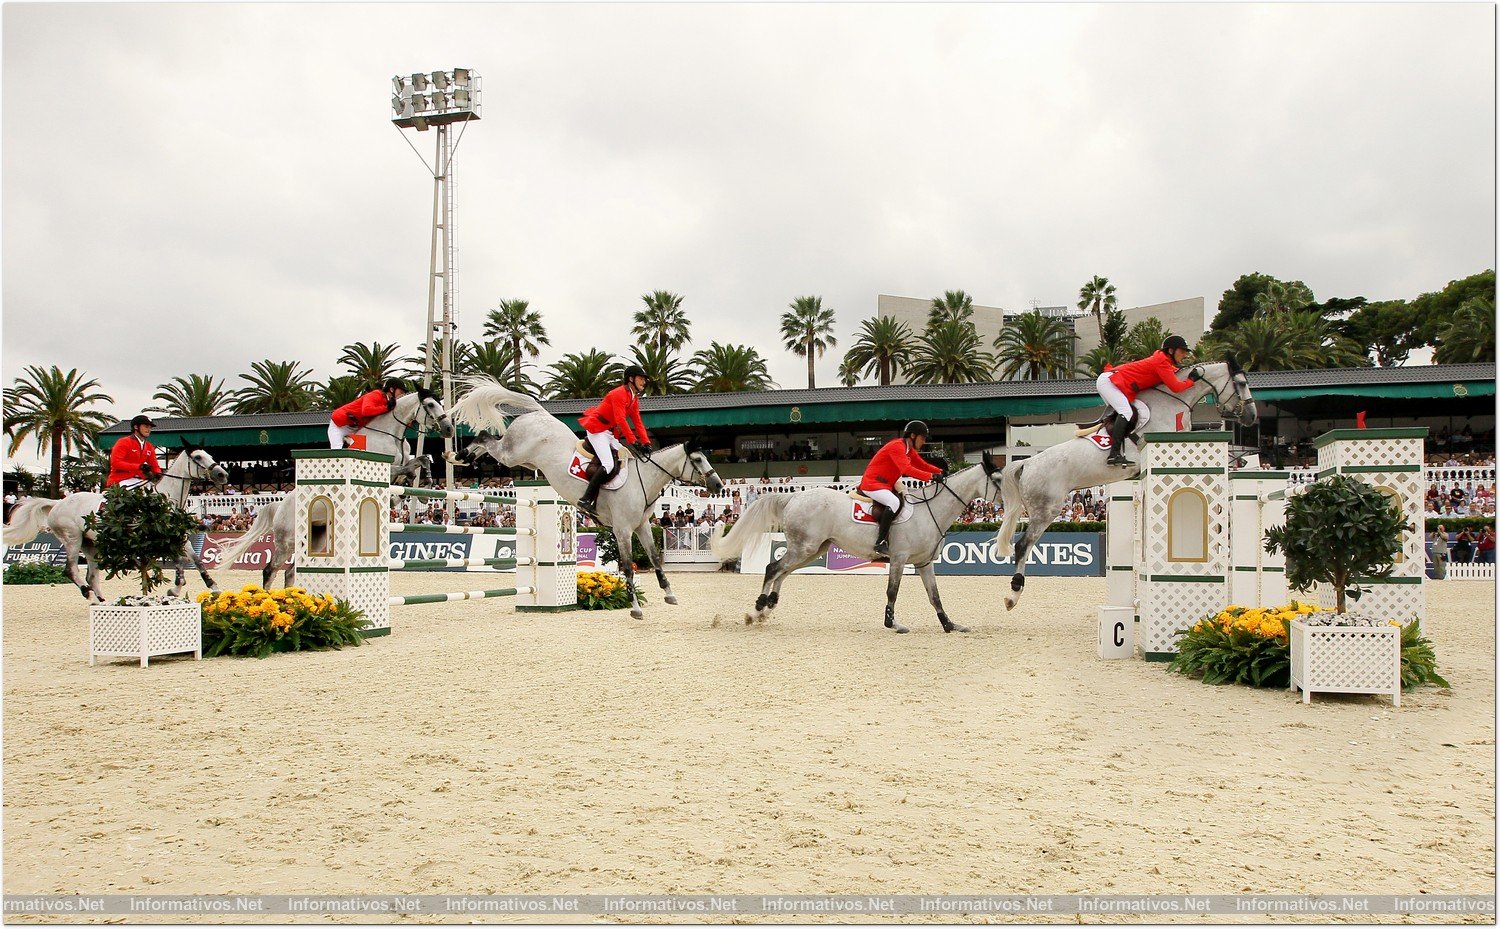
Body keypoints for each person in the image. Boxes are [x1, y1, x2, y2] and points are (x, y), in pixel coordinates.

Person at [1097, 335, 1201, 467]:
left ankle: (1119, 452)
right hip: (1109, 382)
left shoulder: (1163, 362)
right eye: (1182, 351)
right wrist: (1191, 381)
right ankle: (1113, 455)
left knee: (1126, 415)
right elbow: (1176, 387)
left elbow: (1174, 374)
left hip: (1112, 382)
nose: (1185, 355)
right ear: (1170, 351)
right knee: (1126, 412)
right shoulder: (1161, 362)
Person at [576, 365, 653, 517]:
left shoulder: (633, 398)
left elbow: (638, 422)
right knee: (608, 464)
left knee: (628, 457)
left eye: (644, 379)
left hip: (609, 433)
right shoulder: (619, 393)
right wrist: (633, 440)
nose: (644, 382)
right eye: (641, 378)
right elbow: (620, 419)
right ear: (631, 379)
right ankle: (586, 499)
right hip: (597, 430)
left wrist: (646, 443)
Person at [859, 420, 943, 557]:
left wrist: (940, 472)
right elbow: (907, 469)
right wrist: (931, 477)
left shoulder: (908, 450)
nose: (923, 442)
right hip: (872, 484)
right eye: (922, 438)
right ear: (913, 436)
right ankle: (880, 542)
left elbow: (923, 465)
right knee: (894, 502)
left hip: (884, 485)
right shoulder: (897, 446)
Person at [329, 378, 407, 450]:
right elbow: (366, 411)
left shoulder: (389, 403)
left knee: (361, 452)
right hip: (339, 425)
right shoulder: (376, 394)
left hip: (355, 428)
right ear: (392, 389)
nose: (402, 395)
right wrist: (386, 408)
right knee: (336, 450)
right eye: (401, 392)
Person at [106, 414, 163, 488]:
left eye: (150, 427)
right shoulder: (123, 442)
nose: (149, 429)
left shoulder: (149, 446)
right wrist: (139, 466)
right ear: (136, 427)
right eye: (146, 426)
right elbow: (116, 463)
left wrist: (158, 473)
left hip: (139, 479)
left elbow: (154, 465)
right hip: (121, 479)